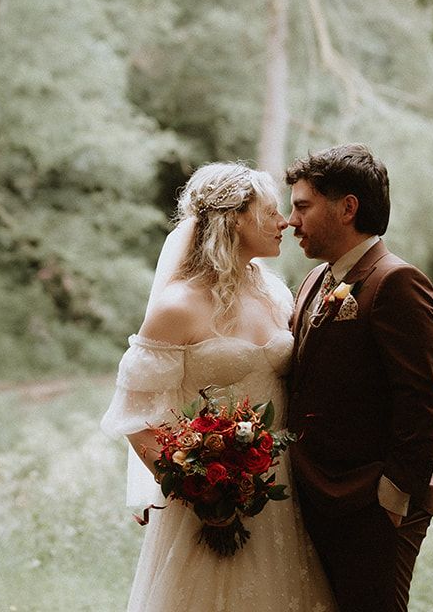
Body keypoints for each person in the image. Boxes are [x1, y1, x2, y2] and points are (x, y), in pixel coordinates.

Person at [100, 163, 335, 612]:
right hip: (210, 501)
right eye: (270, 212)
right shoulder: (177, 307)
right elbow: (134, 417)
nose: (284, 222)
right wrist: (200, 492)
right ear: (236, 219)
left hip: (283, 489)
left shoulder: (275, 293)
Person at [285, 144, 433, 612]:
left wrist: (392, 499)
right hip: (319, 496)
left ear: (348, 208)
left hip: (370, 505)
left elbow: (422, 400)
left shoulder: (397, 281)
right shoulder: (315, 280)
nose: (291, 221)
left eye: (302, 207)